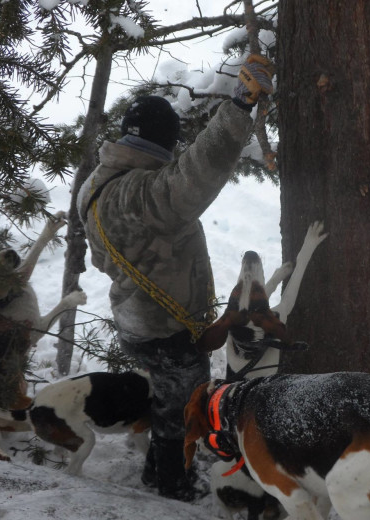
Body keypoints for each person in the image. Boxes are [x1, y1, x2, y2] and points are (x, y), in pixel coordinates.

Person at [77, 55, 273, 501]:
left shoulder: (100, 182)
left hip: (137, 319)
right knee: (181, 409)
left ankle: (157, 470)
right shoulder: (137, 194)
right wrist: (239, 107)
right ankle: (174, 484)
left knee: (168, 398)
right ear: (164, 144)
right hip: (165, 329)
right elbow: (192, 176)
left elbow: (102, 257)